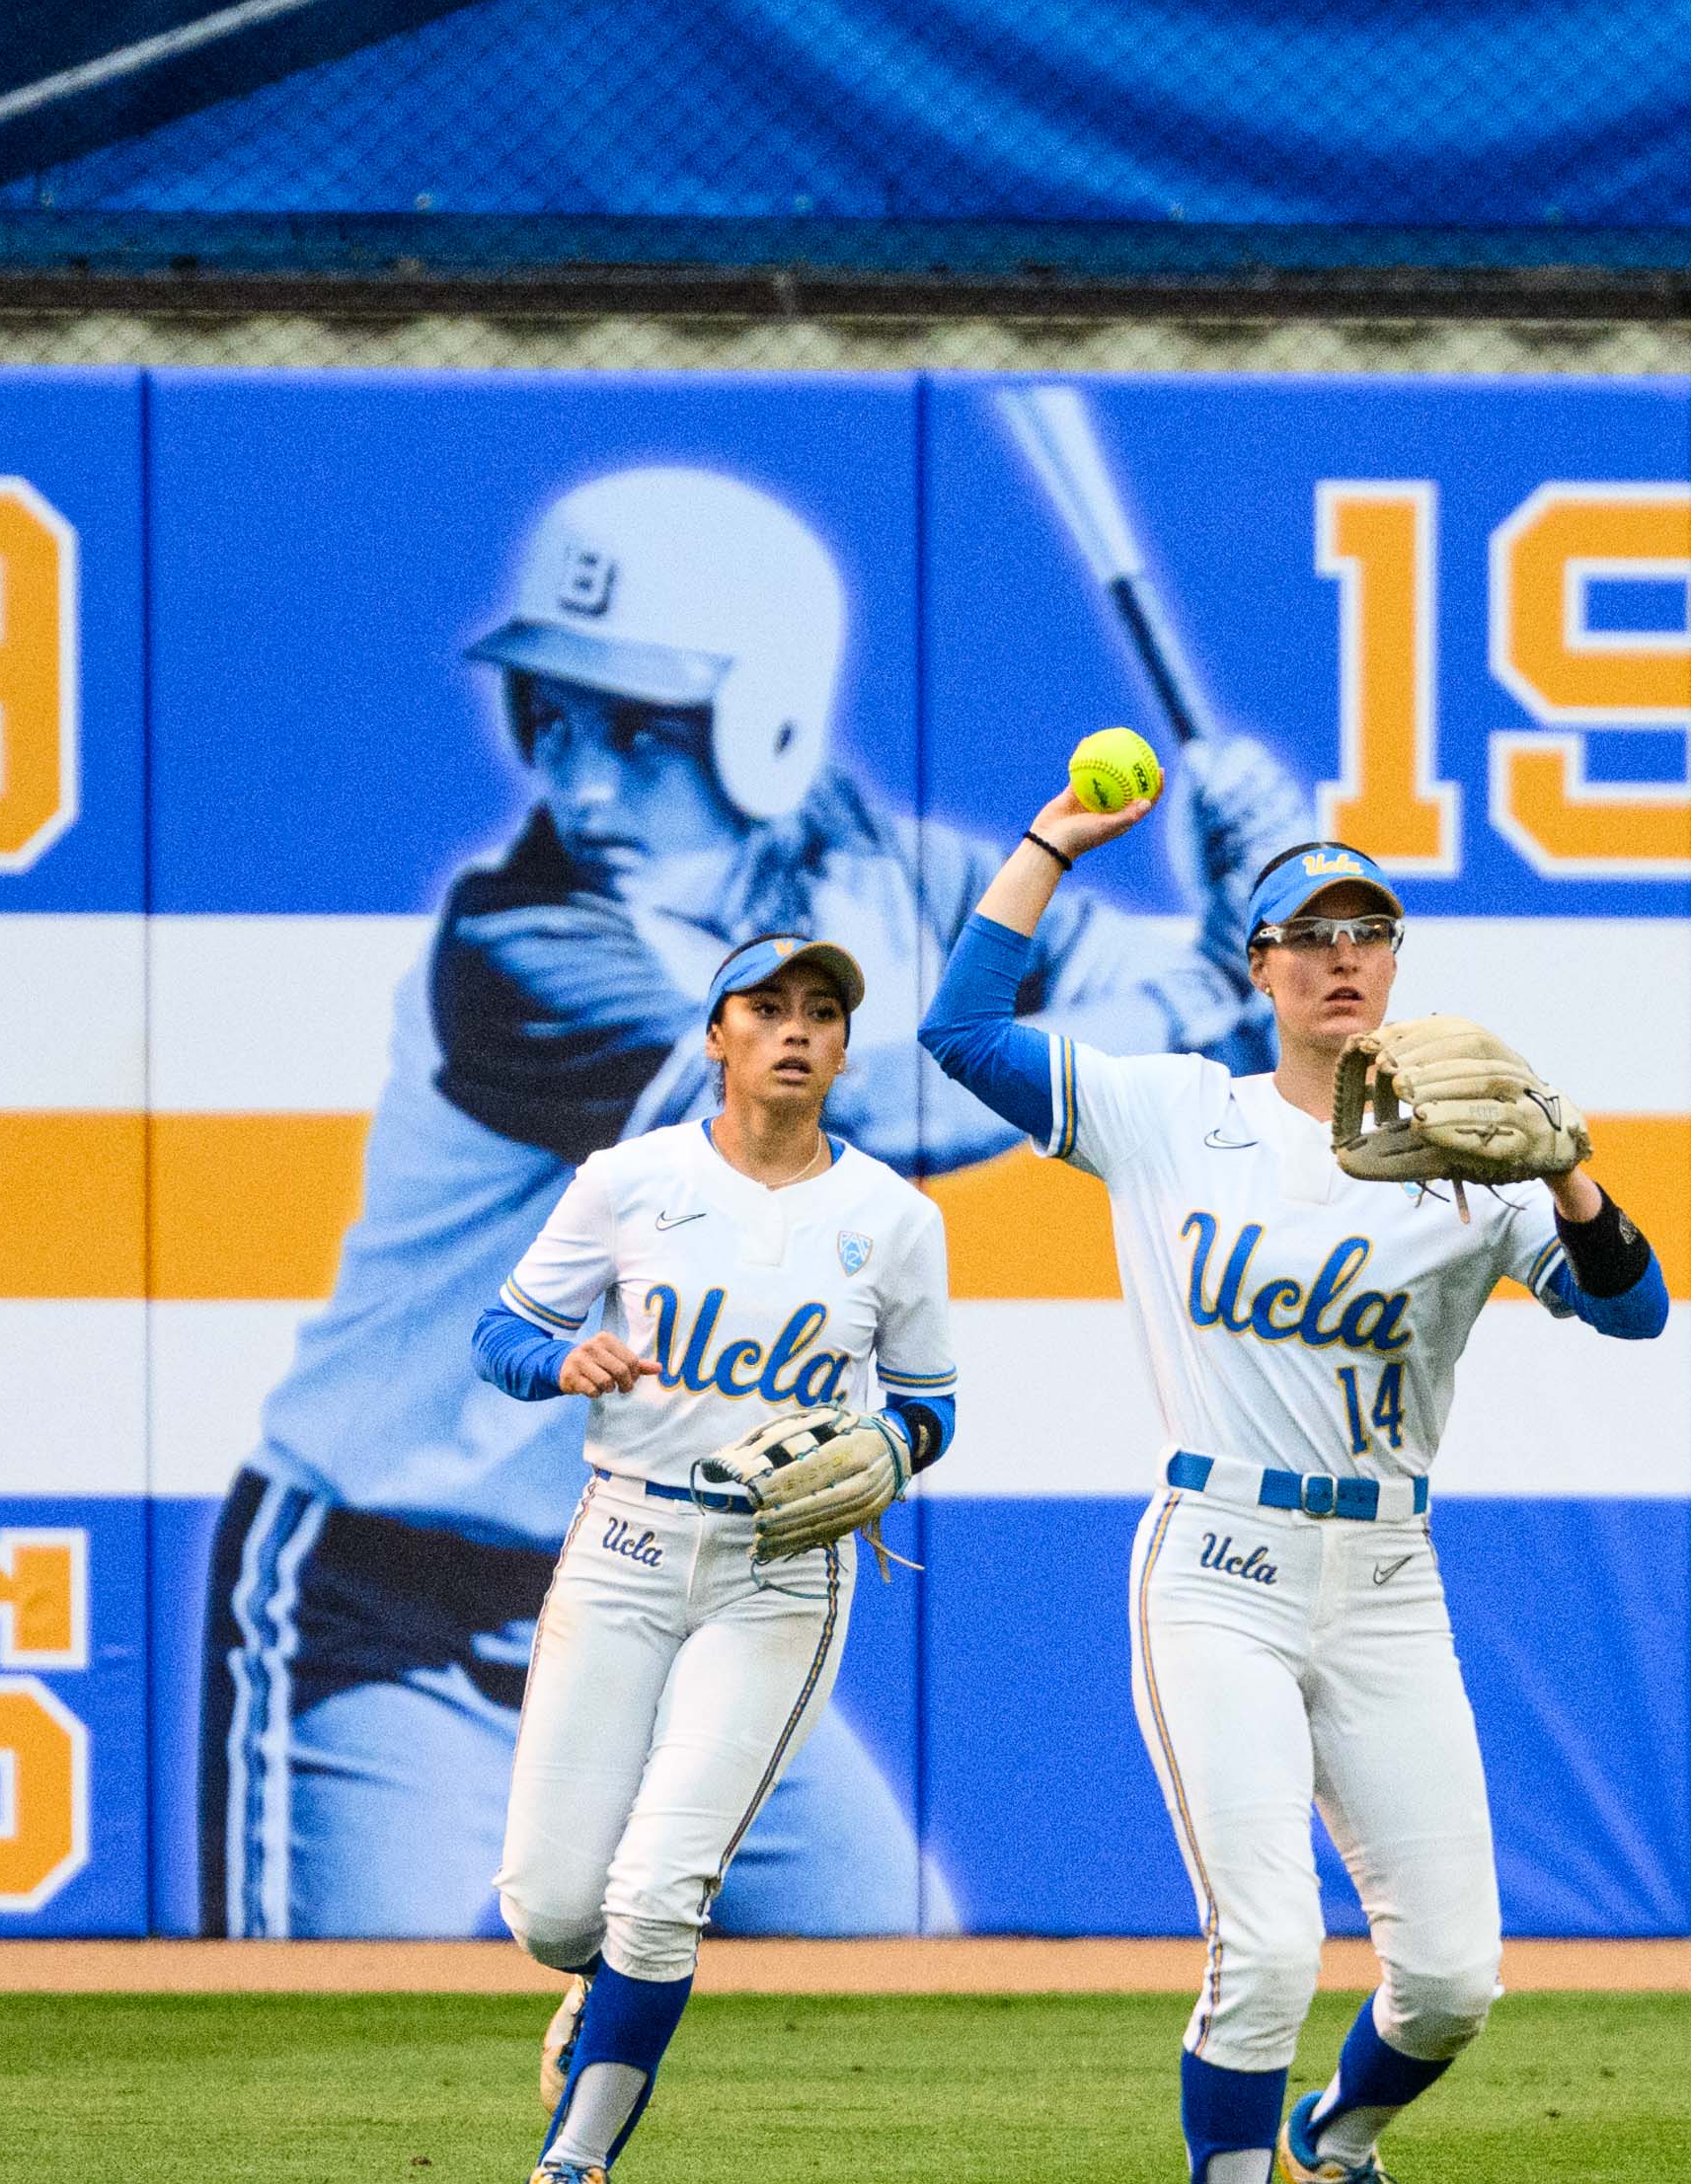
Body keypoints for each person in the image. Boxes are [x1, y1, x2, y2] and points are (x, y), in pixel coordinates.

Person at [202, 462, 1298, 1940]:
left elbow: (1146, 1024)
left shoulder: (885, 873)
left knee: (887, 1963)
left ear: (764, 727)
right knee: (332, 2026)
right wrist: (1216, 969)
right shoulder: (524, 939)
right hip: (394, 1601)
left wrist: (1259, 891)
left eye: (642, 733)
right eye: (555, 718)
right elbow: (852, 1102)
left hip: (682, 1573)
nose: (582, 782)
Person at [918, 777, 1673, 2184]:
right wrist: (1049, 846)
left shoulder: (1473, 1150)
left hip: (1389, 1579)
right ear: (1256, 968)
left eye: (1369, 933)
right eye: (1308, 936)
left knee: (1454, 1976)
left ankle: (1337, 2146)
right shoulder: (1175, 1110)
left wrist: (1569, 1169)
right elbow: (962, 1032)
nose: (1342, 958)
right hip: (1218, 1561)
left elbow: (1632, 1309)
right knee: (1264, 1939)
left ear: (1397, 965)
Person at [474, 934, 956, 2184]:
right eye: (766, 1008)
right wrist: (555, 1362)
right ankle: (600, 1982)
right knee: (553, 1903)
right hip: (623, 1540)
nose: (795, 1030)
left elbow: (927, 1407)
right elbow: (500, 1329)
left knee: (660, 1884)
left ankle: (574, 2159)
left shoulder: (894, 1222)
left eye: (820, 1012)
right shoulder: (633, 1182)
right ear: (718, 1035)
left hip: (778, 1572)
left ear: (846, 1049)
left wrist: (889, 1450)